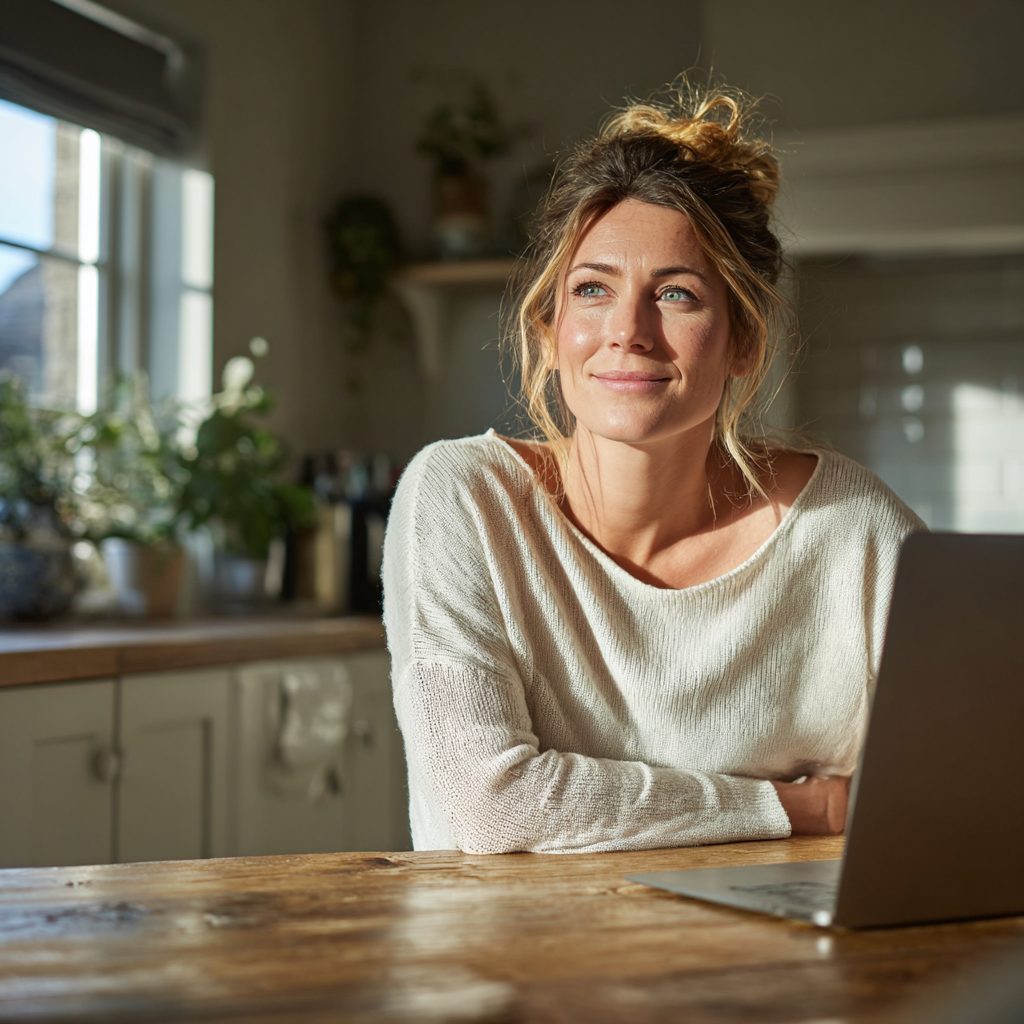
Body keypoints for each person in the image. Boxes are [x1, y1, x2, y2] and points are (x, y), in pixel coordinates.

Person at [382, 84, 924, 854]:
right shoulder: (462, 499)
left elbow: (961, 773)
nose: (628, 331)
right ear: (550, 331)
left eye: (675, 294)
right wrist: (803, 806)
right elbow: (489, 807)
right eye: (593, 289)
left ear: (744, 342)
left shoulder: (851, 531)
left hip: (767, 934)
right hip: (511, 937)